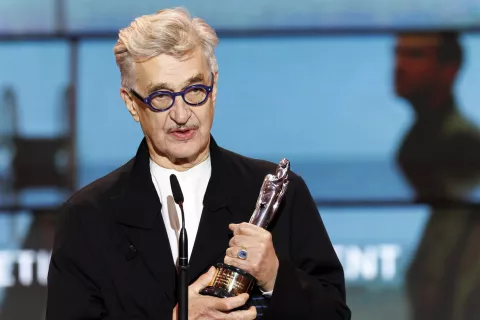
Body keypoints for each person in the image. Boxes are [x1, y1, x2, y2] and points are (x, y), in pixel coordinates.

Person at [46, 7, 350, 320]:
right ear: (131, 103)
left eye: (194, 91)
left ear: (214, 87)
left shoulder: (277, 194)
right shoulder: (88, 217)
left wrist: (275, 277)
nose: (181, 114)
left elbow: (335, 314)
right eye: (161, 96)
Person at [394, 31, 480, 320]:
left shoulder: (461, 146)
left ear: (449, 69)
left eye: (415, 55)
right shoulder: (416, 141)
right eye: (398, 53)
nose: (399, 64)